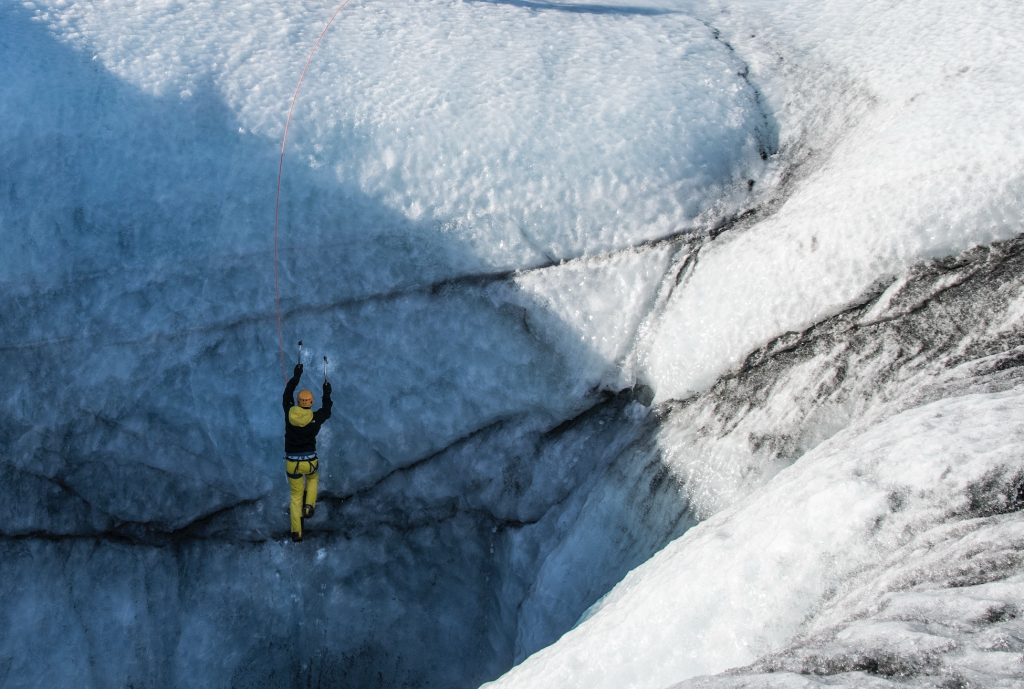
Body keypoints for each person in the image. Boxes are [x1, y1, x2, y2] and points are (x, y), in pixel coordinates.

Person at [283, 363, 332, 542]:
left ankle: (297, 531)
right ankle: (309, 505)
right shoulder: (315, 418)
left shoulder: (289, 412)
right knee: (312, 479)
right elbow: (327, 411)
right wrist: (326, 391)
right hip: (310, 461)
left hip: (292, 463)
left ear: (298, 402)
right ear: (311, 403)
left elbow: (287, 394)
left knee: (296, 495)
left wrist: (296, 376)